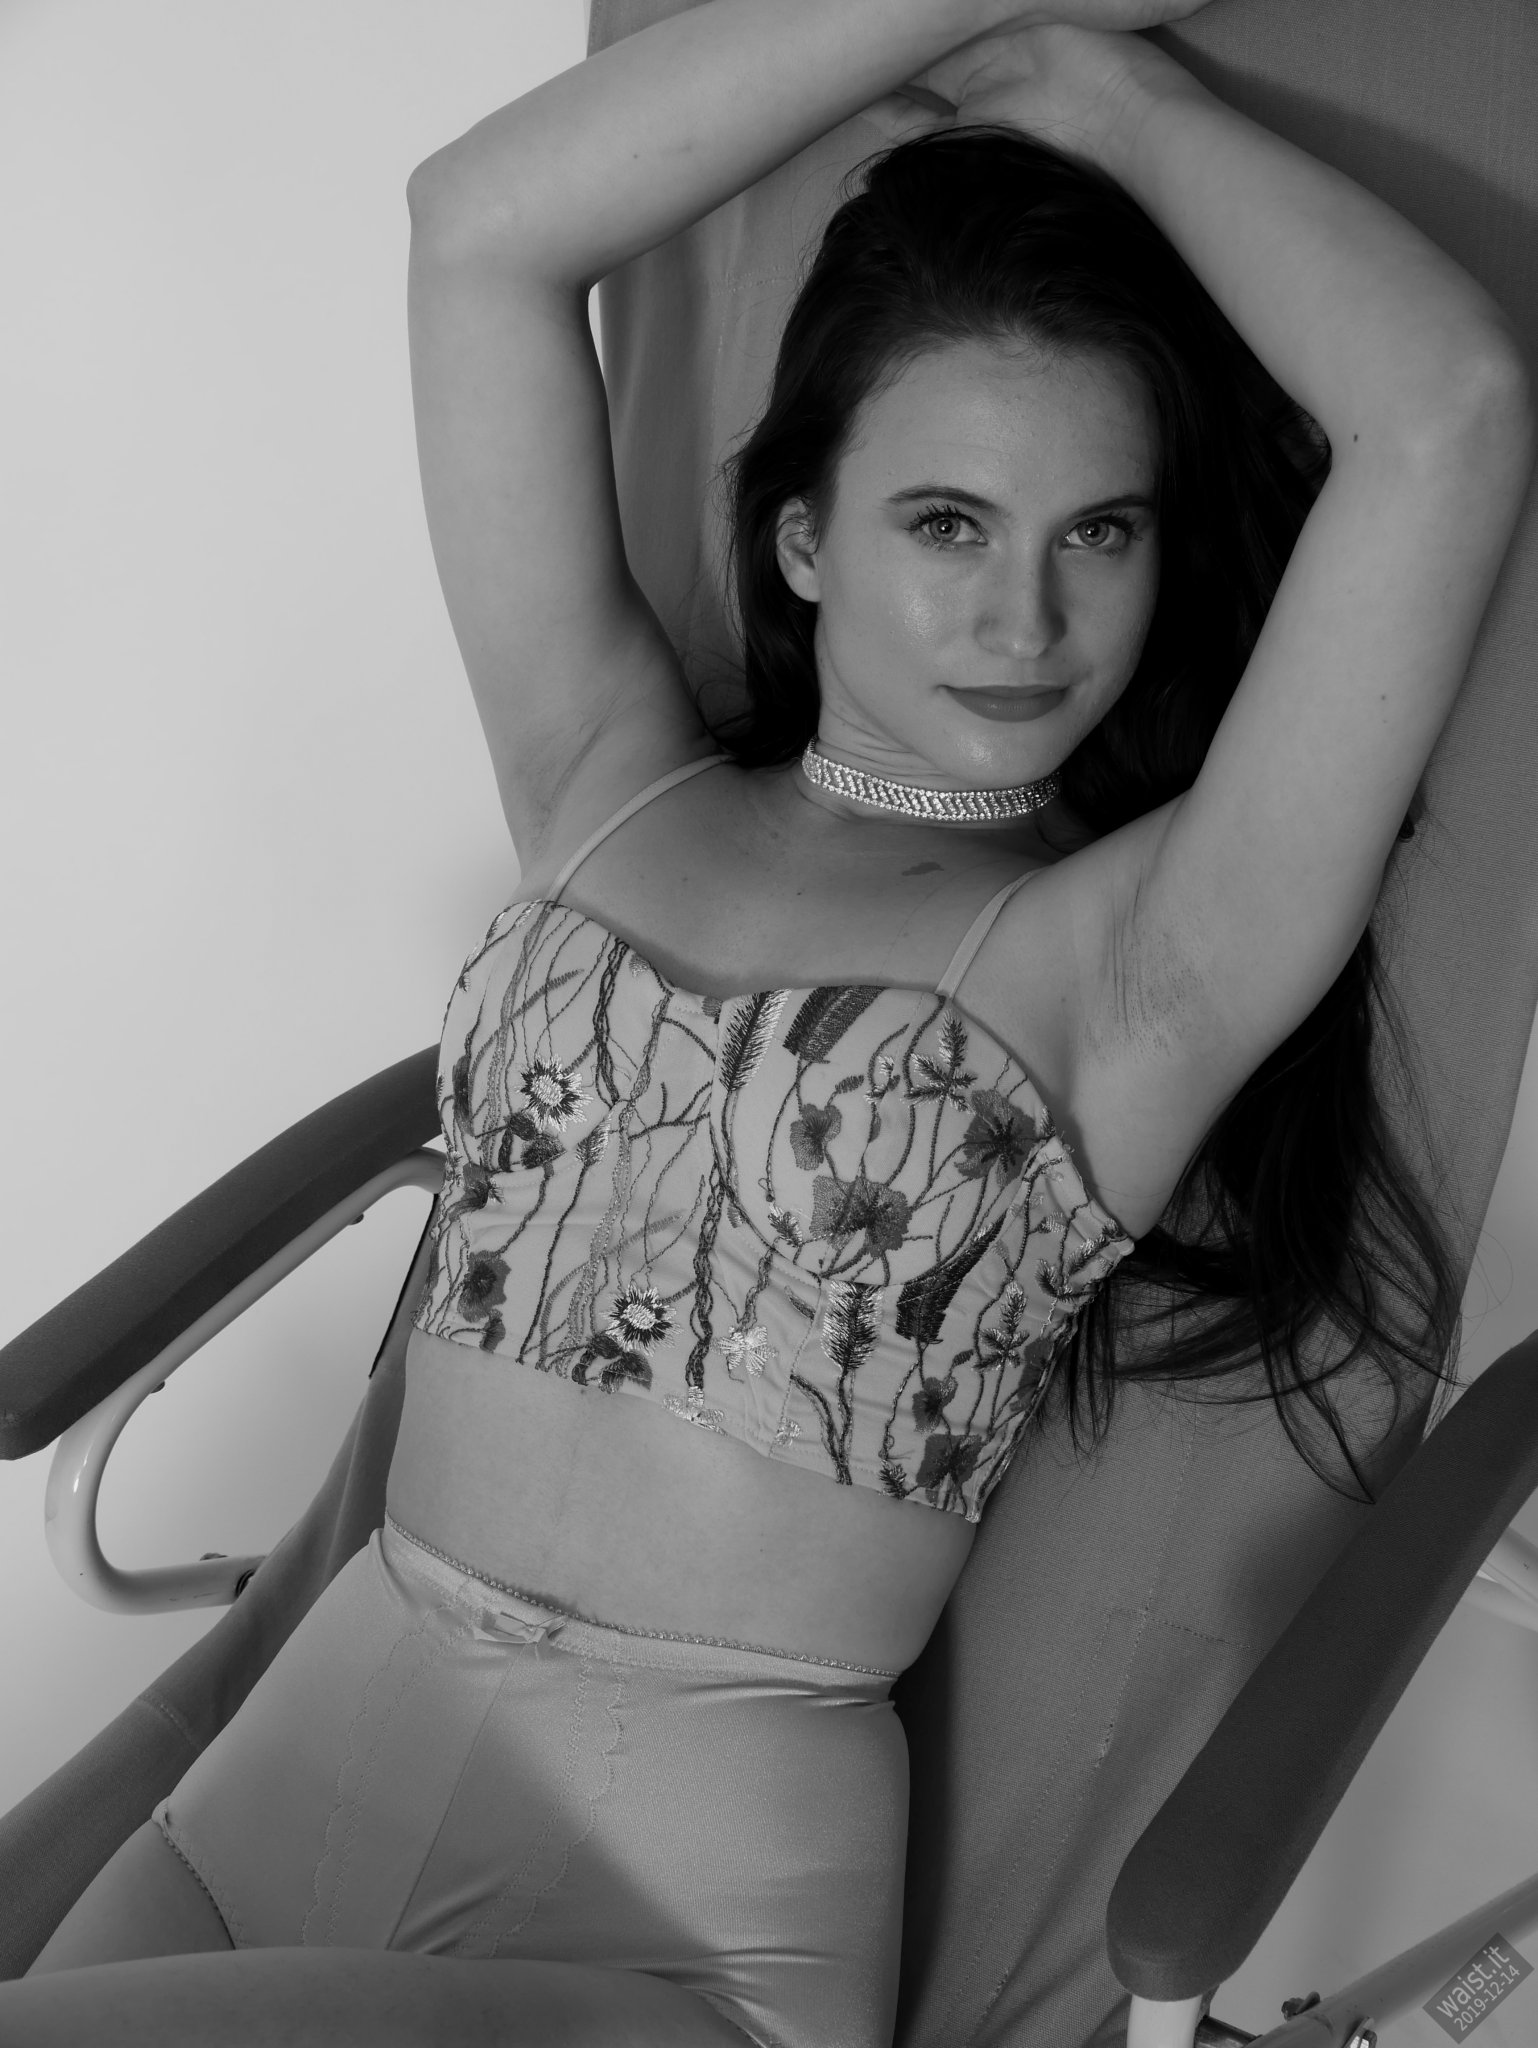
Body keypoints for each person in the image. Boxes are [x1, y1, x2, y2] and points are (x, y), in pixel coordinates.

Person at [11, 0, 1532, 2044]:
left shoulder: (1139, 964)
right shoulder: (598, 776)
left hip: (669, 1936)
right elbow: (478, 227)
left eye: (1099, 532)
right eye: (945, 523)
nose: (1025, 621)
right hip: (275, 1789)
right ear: (805, 537)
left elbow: (1444, 409)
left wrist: (1109, 94)